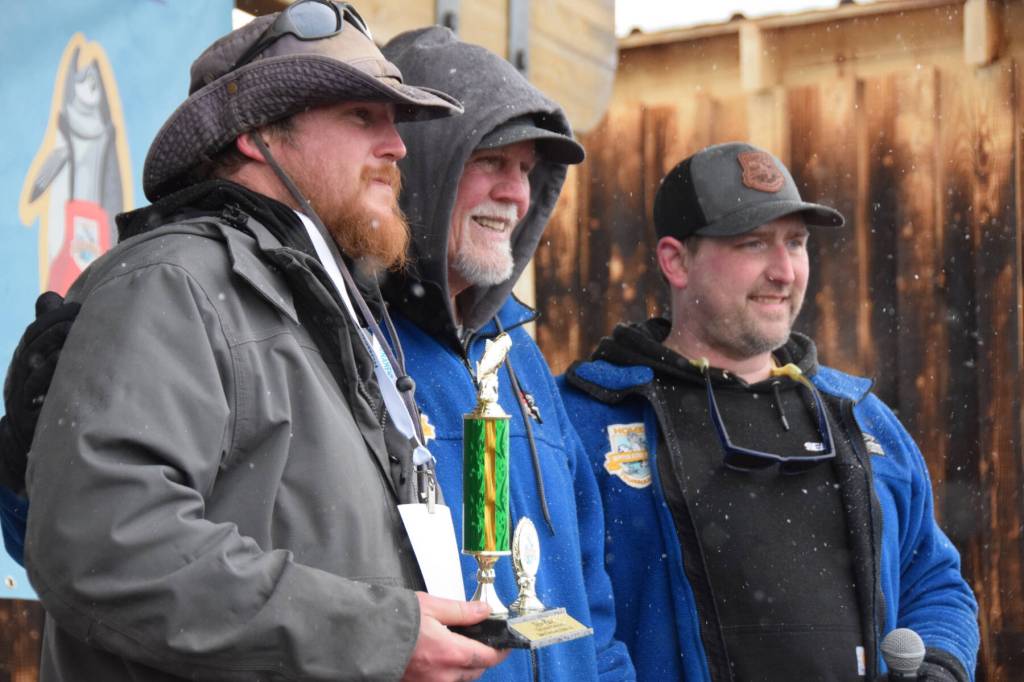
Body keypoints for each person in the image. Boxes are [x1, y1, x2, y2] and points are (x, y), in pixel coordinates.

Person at [14, 2, 516, 679]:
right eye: (361, 116)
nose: (396, 147)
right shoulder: (171, 283)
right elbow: (106, 547)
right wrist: (376, 635)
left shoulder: (316, 299)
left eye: (394, 122)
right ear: (257, 136)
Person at [558, 142, 980, 681]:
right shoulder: (586, 422)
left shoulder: (863, 419)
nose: (784, 271)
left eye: (796, 244)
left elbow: (936, 579)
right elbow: (569, 621)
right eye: (754, 244)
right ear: (675, 260)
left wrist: (940, 663)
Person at [379, 27, 634, 681]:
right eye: (491, 161)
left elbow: (589, 592)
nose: (516, 194)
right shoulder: (357, 349)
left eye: (527, 171)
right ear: (421, 165)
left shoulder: (519, 356)